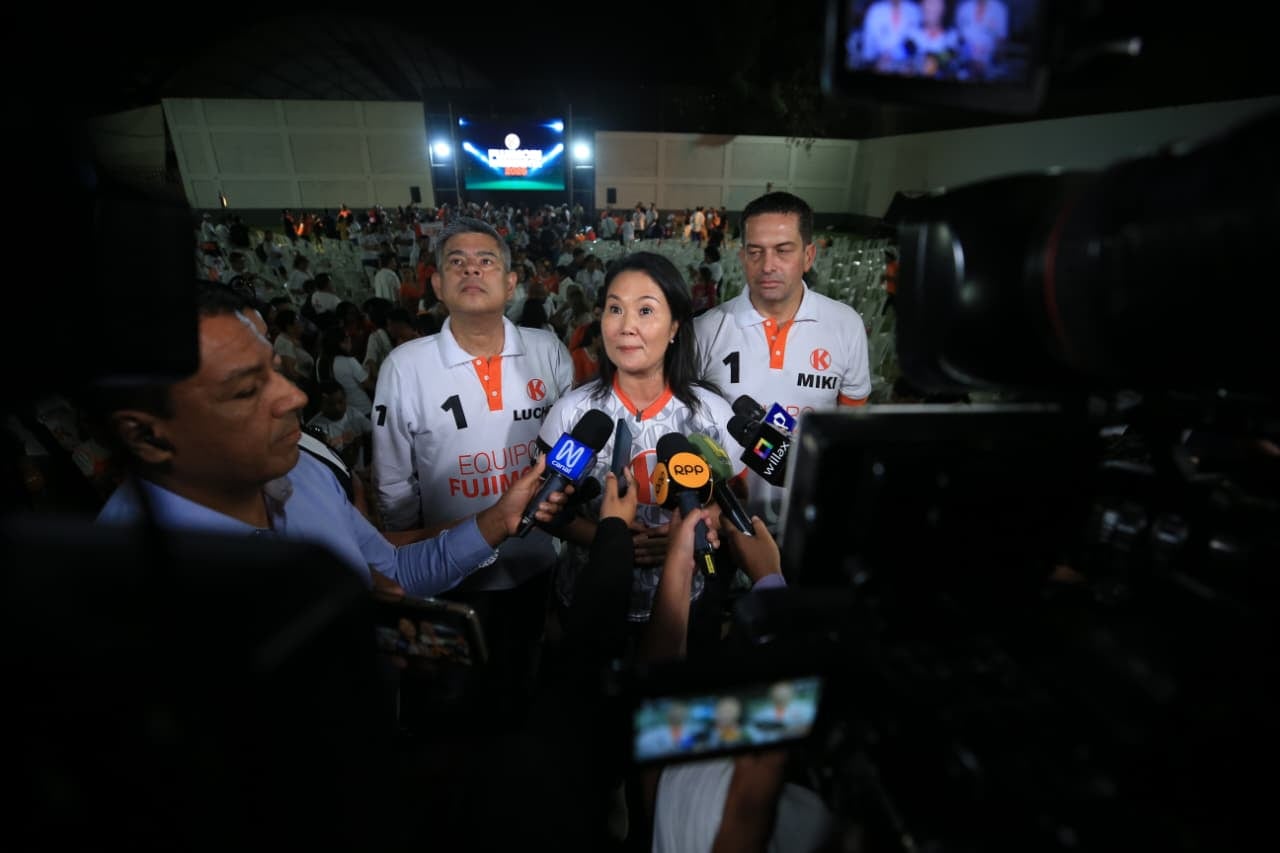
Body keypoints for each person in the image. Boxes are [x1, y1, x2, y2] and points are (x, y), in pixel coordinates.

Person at [93, 283, 567, 599]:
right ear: (146, 435)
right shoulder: (123, 582)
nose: (294, 397)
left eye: (275, 372)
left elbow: (397, 570)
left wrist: (500, 518)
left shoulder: (303, 472)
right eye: (245, 390)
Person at [372, 217, 573, 701]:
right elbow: (393, 483)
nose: (471, 271)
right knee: (456, 699)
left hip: (539, 562)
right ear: (437, 284)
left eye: (486, 262)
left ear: (510, 283)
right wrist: (411, 562)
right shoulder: (406, 365)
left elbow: (575, 450)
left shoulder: (547, 350)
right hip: (449, 570)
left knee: (528, 684)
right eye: (456, 262)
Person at [537, 251, 742, 632]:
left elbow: (735, 502)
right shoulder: (570, 412)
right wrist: (607, 538)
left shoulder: (712, 413)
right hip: (587, 601)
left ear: (676, 325)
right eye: (615, 309)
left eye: (645, 311)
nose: (625, 326)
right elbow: (547, 510)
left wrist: (692, 532)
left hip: (682, 603)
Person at [695, 192, 871, 532]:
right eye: (756, 251)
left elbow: (851, 433)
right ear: (743, 256)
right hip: (724, 522)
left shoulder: (845, 325)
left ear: (808, 255)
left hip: (809, 519)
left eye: (783, 250)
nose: (768, 265)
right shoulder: (704, 329)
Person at [859, 0, 923, 70]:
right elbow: (868, 45)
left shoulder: (914, 11)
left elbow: (918, 41)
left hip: (907, 66)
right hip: (880, 65)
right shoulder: (875, 10)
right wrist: (873, 62)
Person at [956, 0, 1008, 75]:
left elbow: (1002, 41)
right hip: (965, 62)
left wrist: (992, 60)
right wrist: (968, 54)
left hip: (989, 64)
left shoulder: (999, 9)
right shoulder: (964, 7)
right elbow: (959, 37)